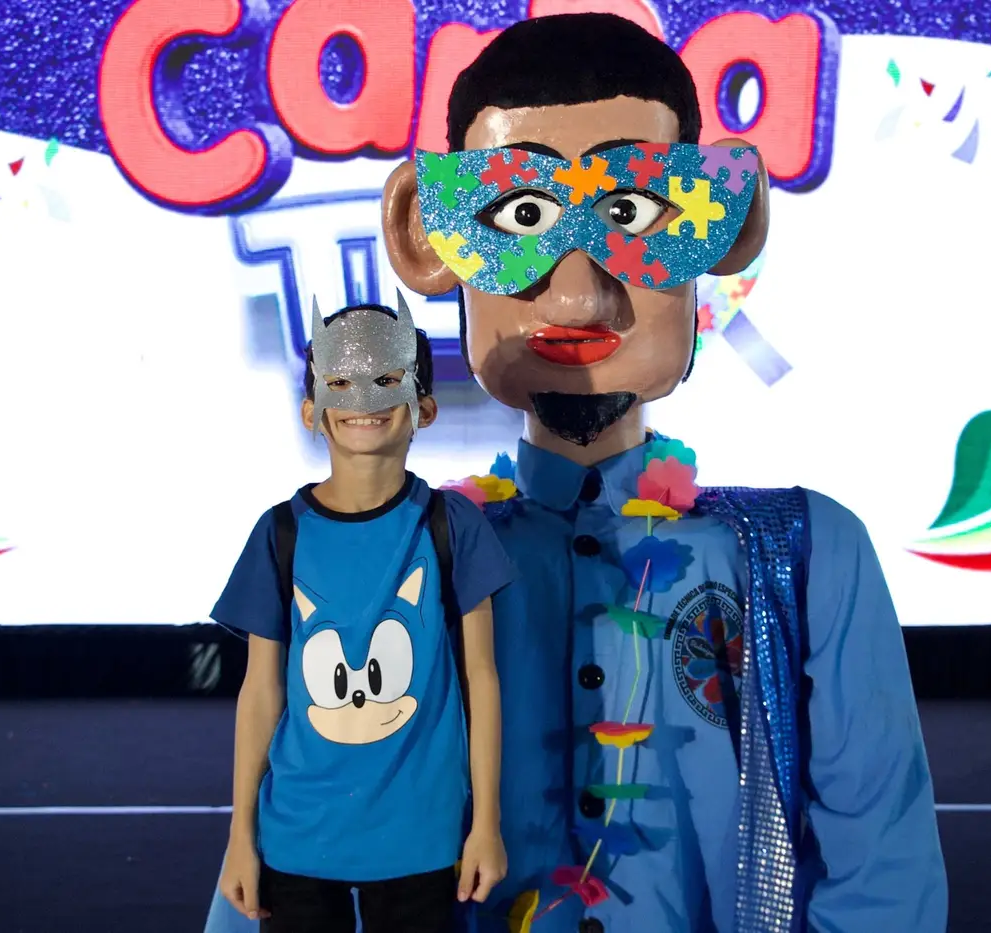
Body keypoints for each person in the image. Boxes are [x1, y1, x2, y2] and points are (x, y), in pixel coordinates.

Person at [377, 12, 950, 933]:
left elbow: (883, 876)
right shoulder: (400, 561)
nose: (578, 293)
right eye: (519, 217)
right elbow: (310, 836)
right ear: (425, 235)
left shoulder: (806, 557)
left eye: (633, 215)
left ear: (730, 221)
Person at [209, 297, 515, 933]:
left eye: (386, 379)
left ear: (424, 407)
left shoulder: (452, 526)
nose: (364, 400)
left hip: (421, 833)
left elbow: (481, 679)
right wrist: (240, 835)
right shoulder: (280, 533)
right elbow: (260, 692)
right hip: (298, 831)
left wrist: (486, 823)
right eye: (341, 382)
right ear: (311, 410)